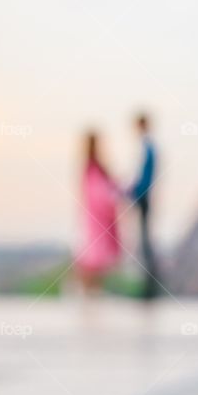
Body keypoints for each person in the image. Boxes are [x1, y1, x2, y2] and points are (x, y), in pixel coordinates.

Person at [76, 131, 121, 291]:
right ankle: (89, 290)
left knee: (97, 258)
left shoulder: (94, 166)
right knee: (94, 257)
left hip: (98, 217)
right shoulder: (92, 166)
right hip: (97, 217)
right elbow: (97, 193)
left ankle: (93, 290)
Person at [129, 111, 160, 299]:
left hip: (143, 197)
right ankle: (149, 285)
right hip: (143, 196)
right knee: (145, 241)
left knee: (145, 241)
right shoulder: (148, 146)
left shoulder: (147, 147)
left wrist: (135, 193)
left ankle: (149, 287)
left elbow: (144, 177)